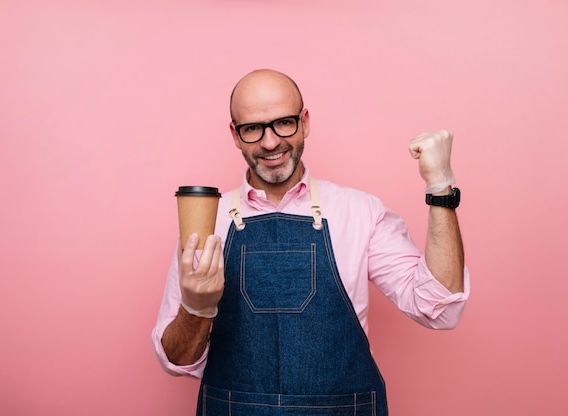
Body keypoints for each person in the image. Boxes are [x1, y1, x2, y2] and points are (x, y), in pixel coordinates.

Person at [151, 69, 470, 415]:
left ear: (304, 122)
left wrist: (440, 188)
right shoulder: (207, 219)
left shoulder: (359, 211)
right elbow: (177, 360)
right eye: (253, 128)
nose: (270, 142)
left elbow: (440, 308)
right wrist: (196, 308)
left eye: (284, 123)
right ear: (235, 135)